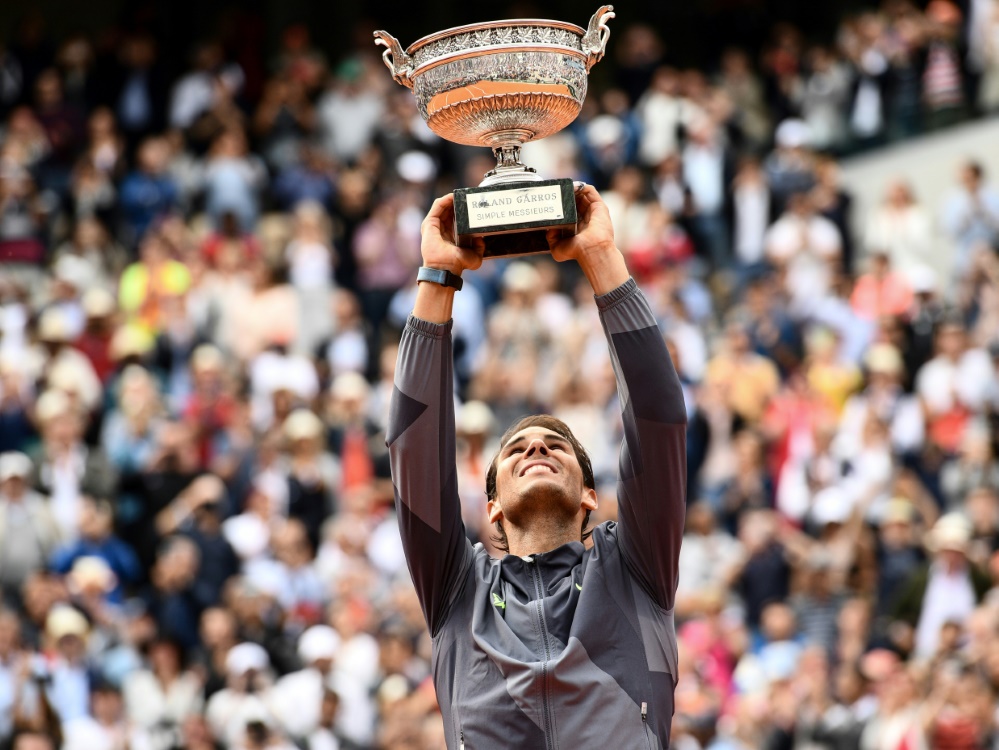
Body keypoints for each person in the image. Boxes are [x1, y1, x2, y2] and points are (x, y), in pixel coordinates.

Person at [387, 184, 686, 748]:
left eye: (556, 444)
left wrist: (601, 258)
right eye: (517, 449)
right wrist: (437, 280)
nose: (536, 448)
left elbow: (659, 418)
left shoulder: (637, 569)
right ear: (493, 503)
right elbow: (413, 448)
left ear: (590, 496)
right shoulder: (456, 589)